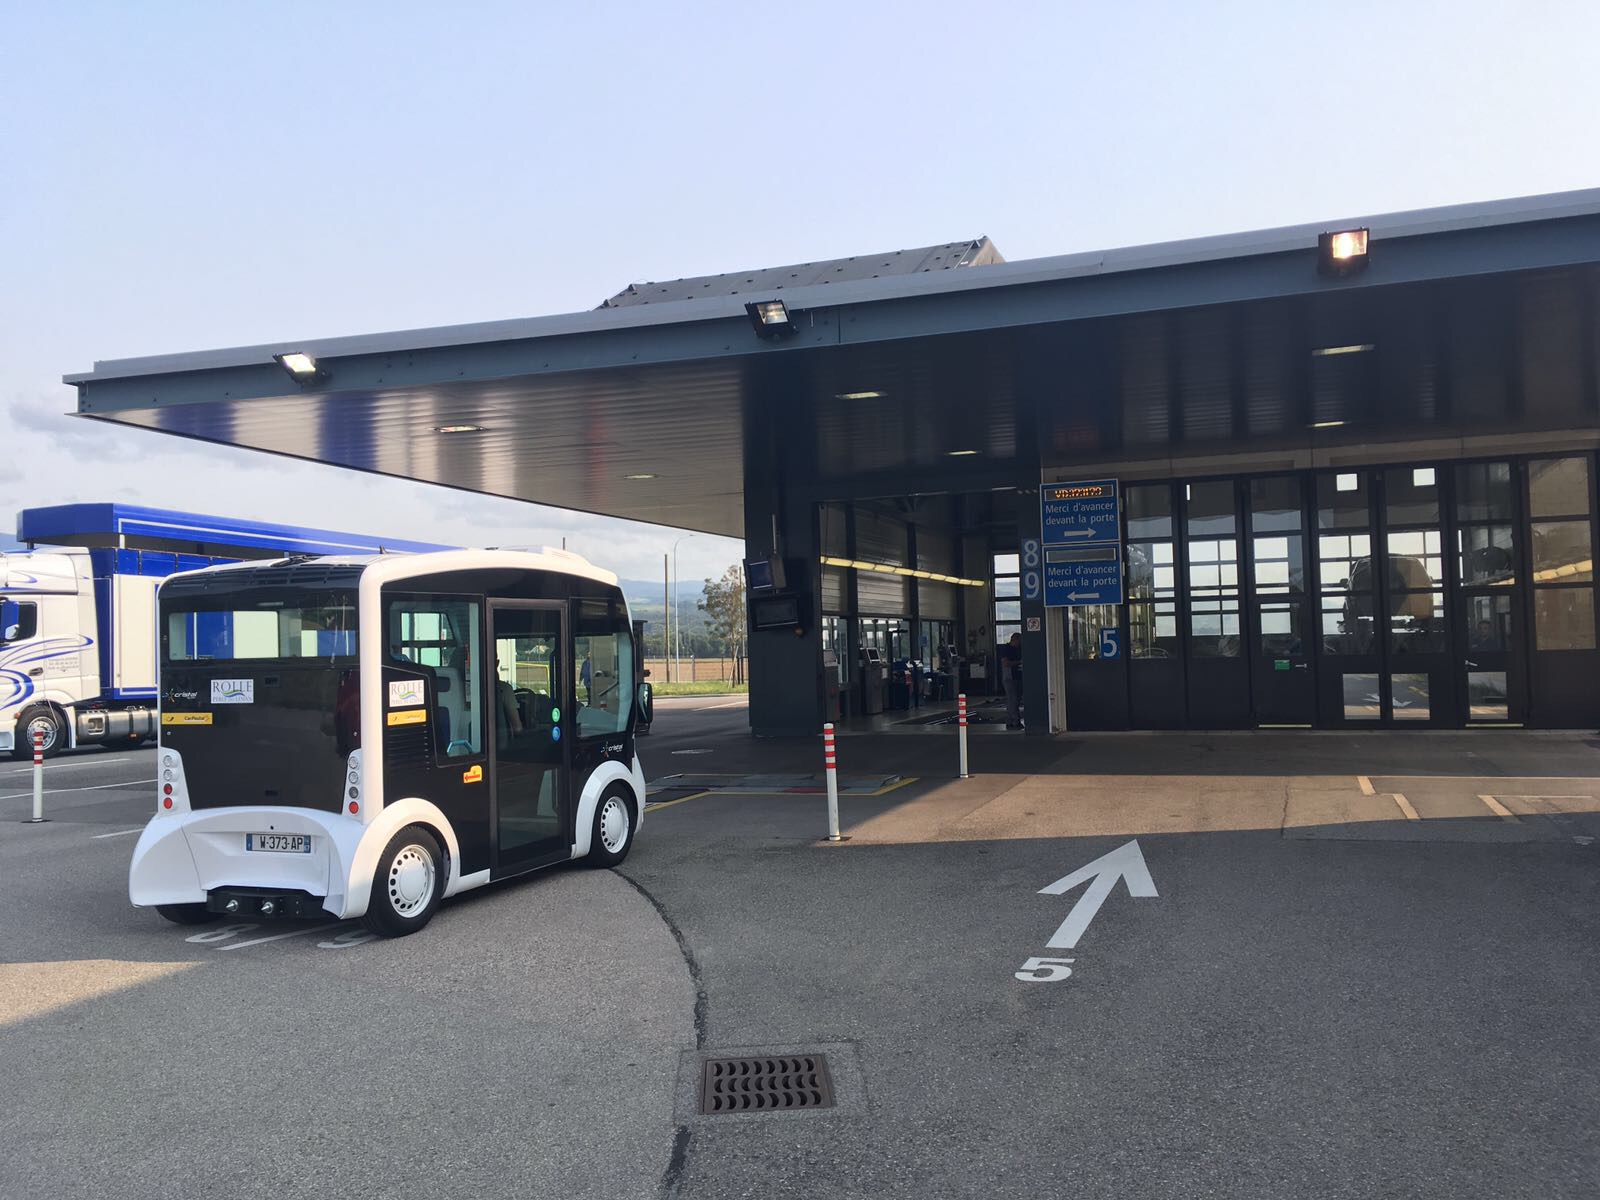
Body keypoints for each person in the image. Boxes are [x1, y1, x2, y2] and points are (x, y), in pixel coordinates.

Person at [998, 632, 1023, 730]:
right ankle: (1015, 722)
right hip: (1009, 678)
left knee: (1014, 700)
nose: (1020, 643)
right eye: (1019, 641)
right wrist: (1019, 662)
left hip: (1018, 677)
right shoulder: (1006, 649)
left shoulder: (1019, 649)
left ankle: (1010, 721)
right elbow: (1005, 663)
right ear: (1014, 640)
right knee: (1013, 699)